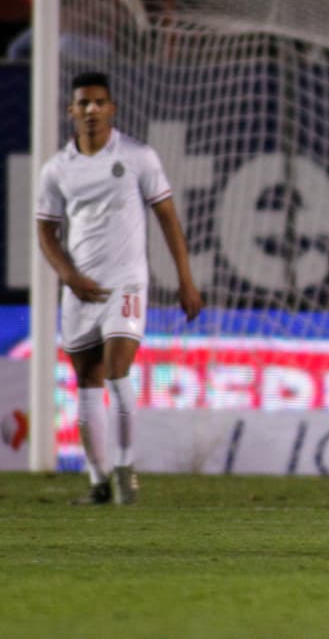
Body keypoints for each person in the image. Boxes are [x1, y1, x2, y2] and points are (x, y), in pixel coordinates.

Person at [35, 71, 203, 505]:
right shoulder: (56, 170)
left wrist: (185, 279)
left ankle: (126, 468)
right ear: (71, 111)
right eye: (83, 104)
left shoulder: (137, 156)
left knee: (116, 369)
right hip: (80, 290)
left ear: (112, 109)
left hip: (126, 283)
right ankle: (98, 482)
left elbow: (167, 216)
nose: (91, 110)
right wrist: (69, 277)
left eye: (98, 103)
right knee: (85, 380)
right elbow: (46, 233)